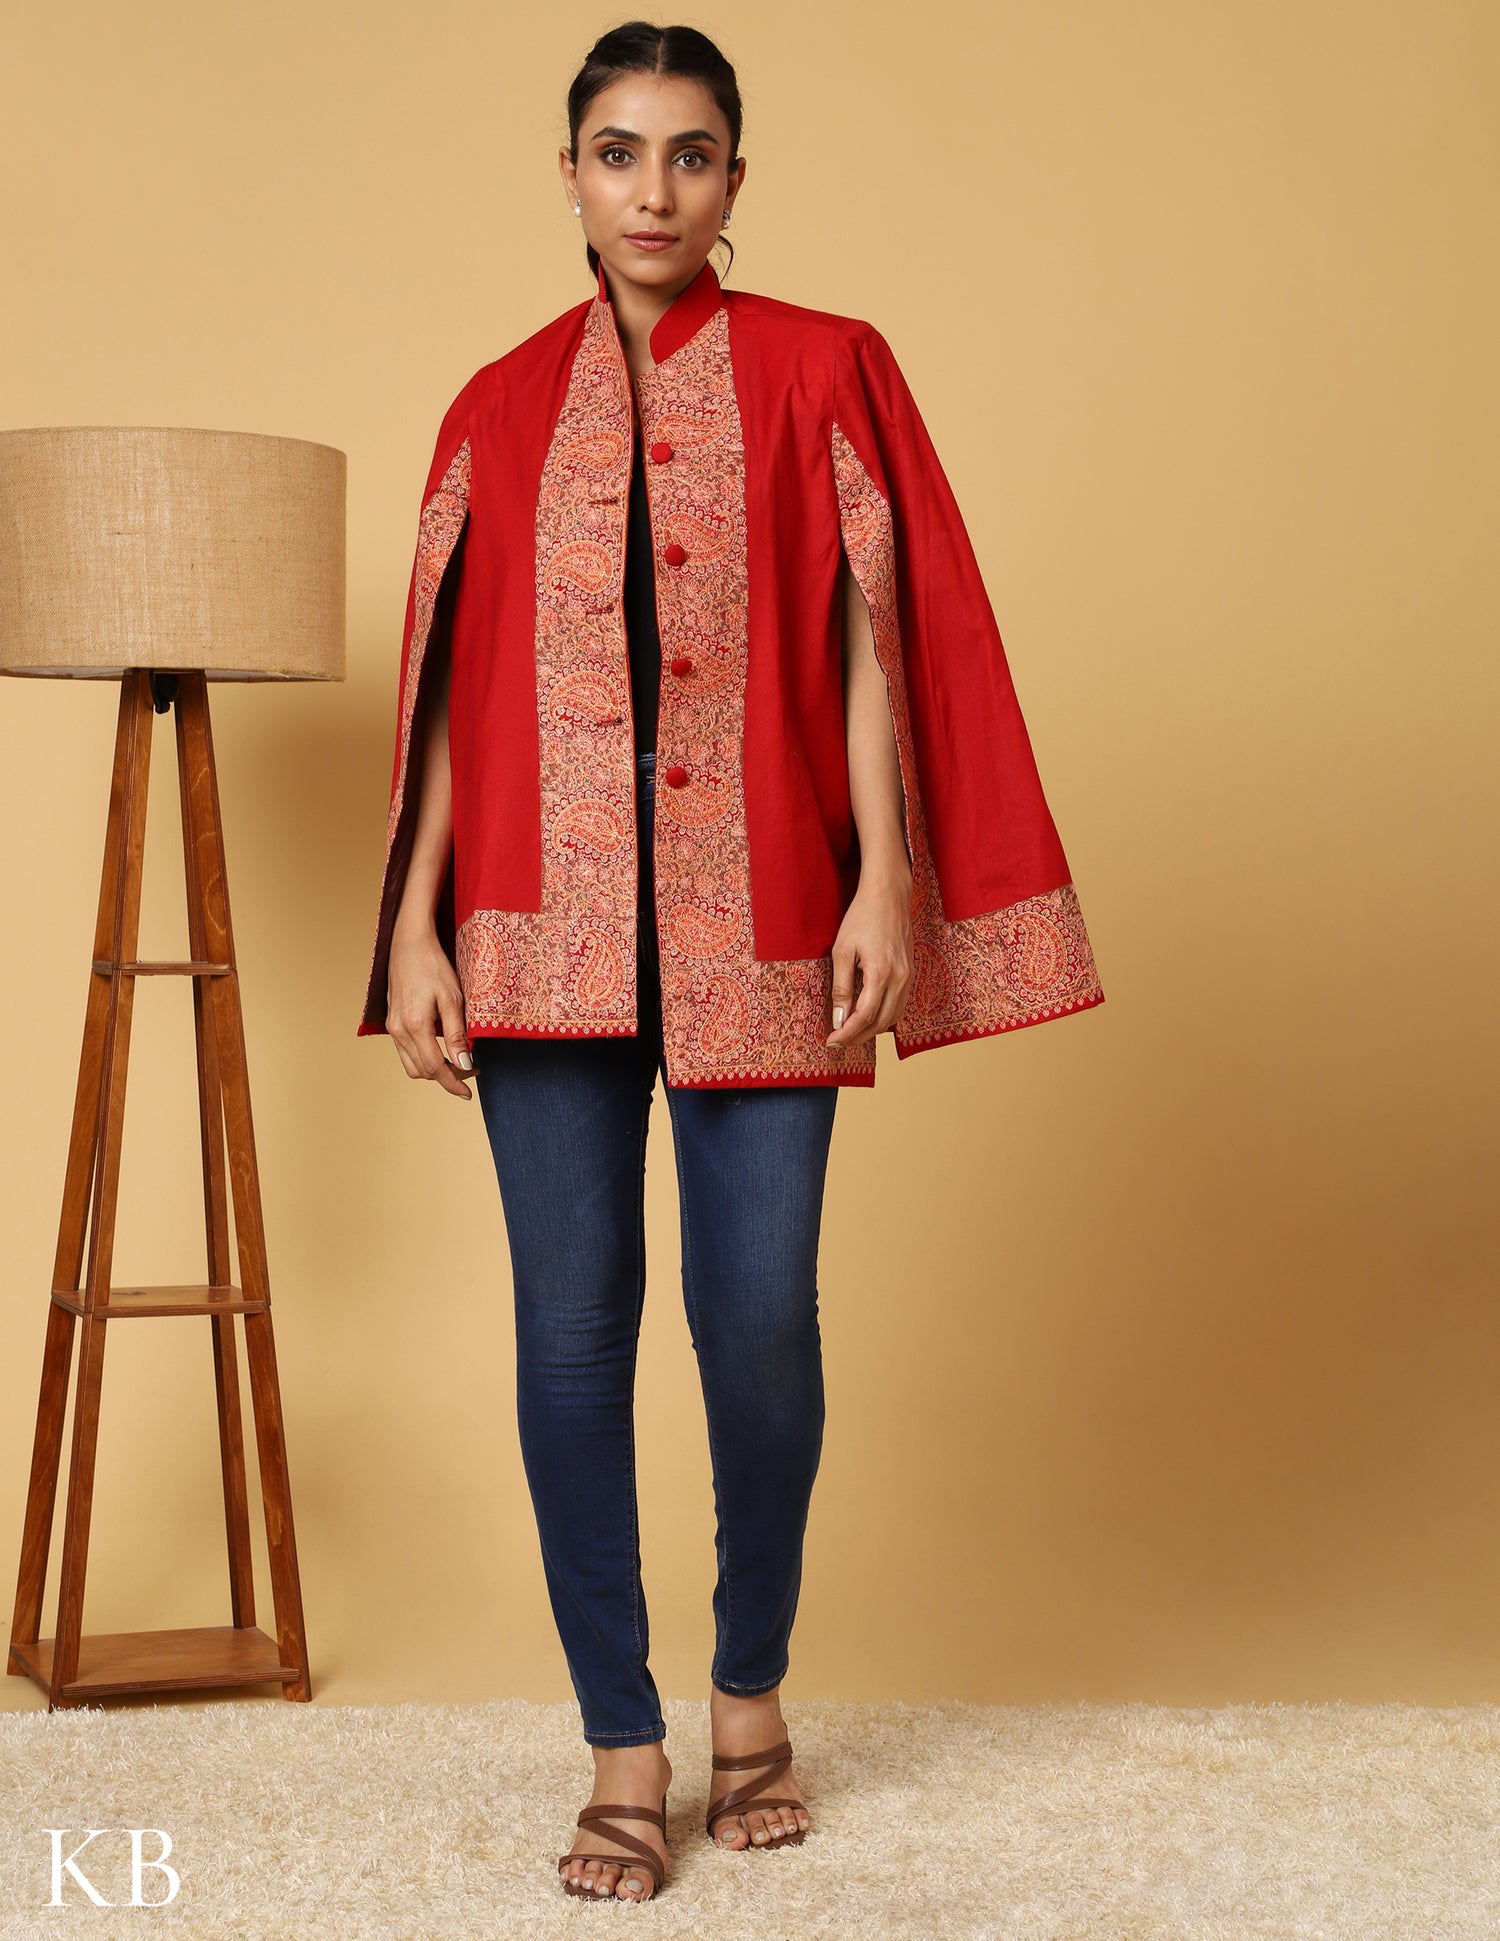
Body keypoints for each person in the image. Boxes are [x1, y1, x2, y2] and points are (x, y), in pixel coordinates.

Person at [360, 20, 1103, 1905]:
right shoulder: (494, 406)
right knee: (568, 1334)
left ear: (735, 182)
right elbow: (448, 686)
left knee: (760, 1324)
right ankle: (624, 1740)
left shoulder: (821, 366)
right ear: (570, 174)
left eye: (691, 155)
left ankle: (749, 1688)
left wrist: (886, 881)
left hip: (768, 903)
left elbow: (874, 629)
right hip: (536, 918)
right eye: (619, 153)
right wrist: (412, 920)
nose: (654, 190)